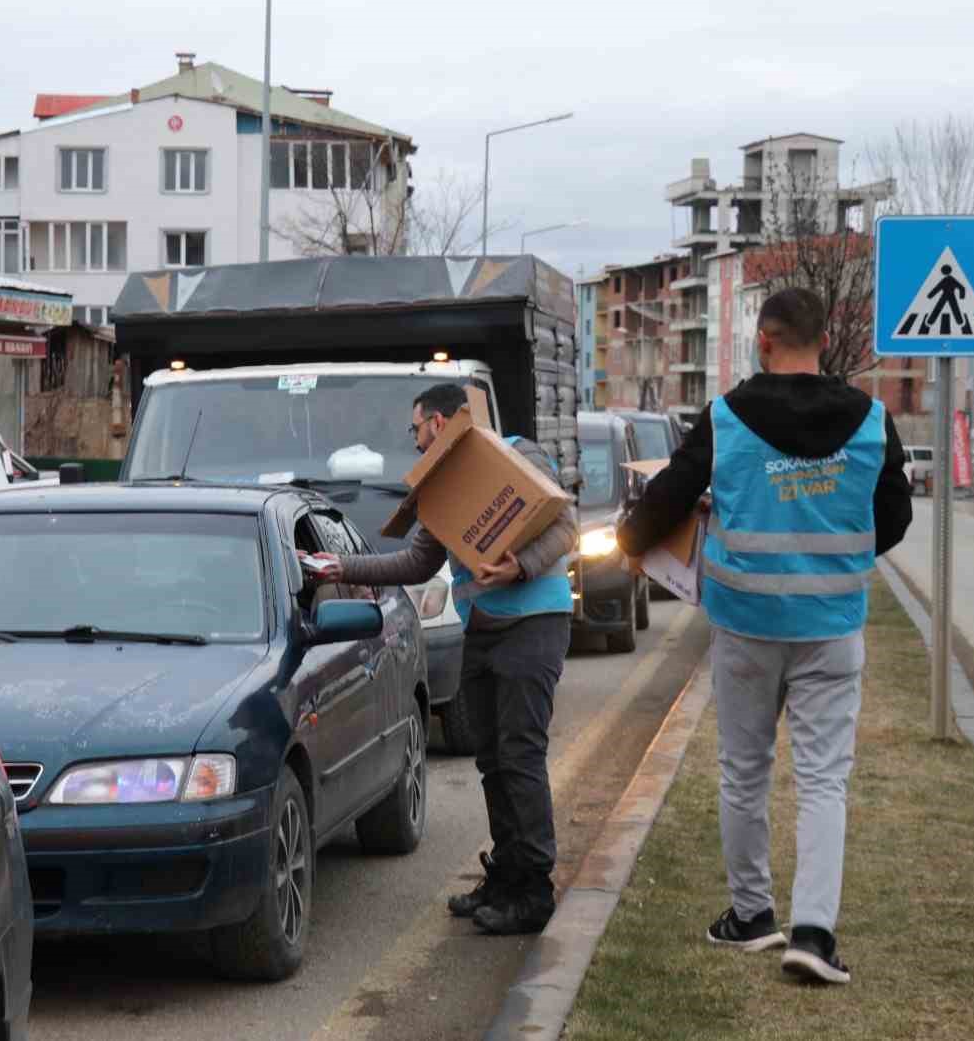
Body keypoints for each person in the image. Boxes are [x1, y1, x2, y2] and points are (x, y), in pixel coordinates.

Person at [617, 288, 912, 985]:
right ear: (824, 341)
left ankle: (751, 916)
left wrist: (632, 541)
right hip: (831, 627)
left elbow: (664, 500)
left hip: (746, 625)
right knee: (824, 779)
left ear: (764, 341)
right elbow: (894, 518)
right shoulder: (873, 420)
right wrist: (833, 552)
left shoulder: (726, 417)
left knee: (744, 770)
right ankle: (813, 932)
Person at [304, 383, 578, 935]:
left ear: (442, 422)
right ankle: (507, 875)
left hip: (534, 623)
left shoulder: (515, 454)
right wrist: (343, 568)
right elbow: (416, 562)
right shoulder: (439, 486)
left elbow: (565, 527)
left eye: (417, 428)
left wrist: (520, 566)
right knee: (492, 758)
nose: (415, 441)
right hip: (484, 628)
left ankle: (534, 890)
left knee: (520, 753)